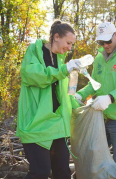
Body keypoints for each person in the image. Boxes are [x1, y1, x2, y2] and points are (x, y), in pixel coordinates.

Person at [74, 22, 116, 179]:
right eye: (101, 42)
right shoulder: (99, 58)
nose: (105, 45)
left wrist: (110, 98)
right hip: (101, 117)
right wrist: (80, 95)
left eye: (108, 41)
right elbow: (94, 84)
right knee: (93, 155)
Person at [16, 20, 81, 179]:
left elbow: (64, 94)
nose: (69, 47)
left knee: (63, 173)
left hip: (58, 125)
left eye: (72, 44)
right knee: (40, 172)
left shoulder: (60, 59)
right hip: (36, 124)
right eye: (68, 42)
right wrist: (64, 70)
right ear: (56, 36)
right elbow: (34, 76)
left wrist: (81, 105)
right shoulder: (34, 51)